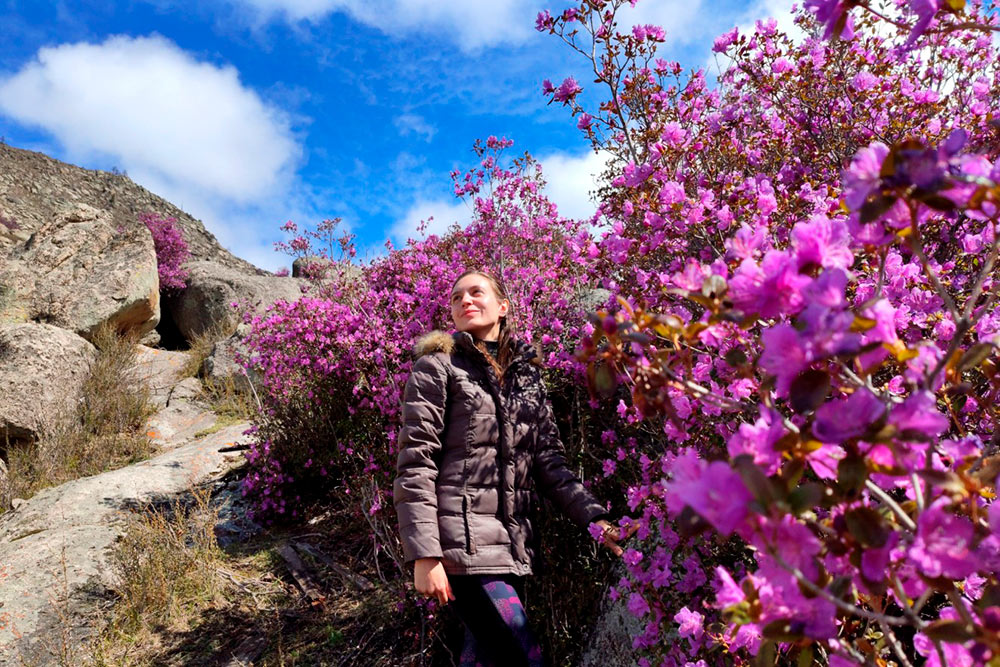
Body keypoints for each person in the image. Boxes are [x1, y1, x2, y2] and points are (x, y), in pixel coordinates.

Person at [394, 270, 631, 667]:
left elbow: (551, 466)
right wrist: (424, 555)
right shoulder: (437, 368)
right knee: (527, 657)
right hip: (460, 548)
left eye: (476, 292)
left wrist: (598, 521)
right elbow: (415, 464)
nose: (465, 301)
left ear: (503, 307)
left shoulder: (527, 378)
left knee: (482, 658)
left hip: (512, 550)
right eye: (456, 297)